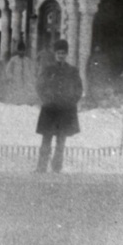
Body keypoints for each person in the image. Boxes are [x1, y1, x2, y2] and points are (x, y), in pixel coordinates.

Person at [34, 38, 82, 173]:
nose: (61, 56)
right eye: (59, 53)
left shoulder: (72, 71)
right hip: (50, 109)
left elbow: (78, 89)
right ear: (55, 54)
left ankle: (57, 168)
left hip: (65, 110)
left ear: (66, 54)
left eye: (63, 53)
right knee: (46, 139)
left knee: (61, 140)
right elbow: (39, 86)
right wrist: (46, 99)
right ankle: (41, 167)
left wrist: (71, 101)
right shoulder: (48, 69)